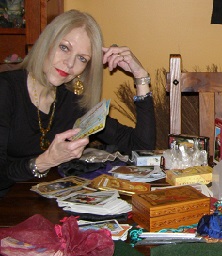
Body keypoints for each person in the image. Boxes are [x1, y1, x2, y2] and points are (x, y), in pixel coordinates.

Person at [0, 9, 155, 196]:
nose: (69, 63)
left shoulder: (72, 104)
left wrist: (141, 77)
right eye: (64, 47)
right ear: (47, 42)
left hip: (41, 204)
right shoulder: (6, 89)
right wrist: (45, 161)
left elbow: (140, 146)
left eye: (82, 58)